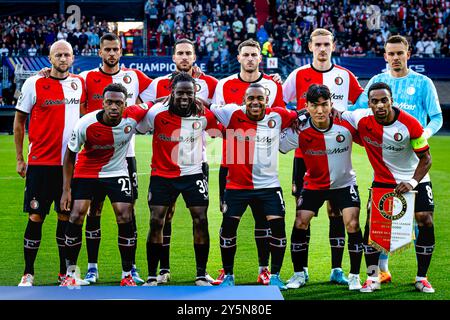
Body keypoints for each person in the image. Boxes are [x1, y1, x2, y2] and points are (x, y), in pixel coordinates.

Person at [352, 35, 442, 284]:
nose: (395, 58)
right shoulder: (377, 81)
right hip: (385, 162)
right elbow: (358, 111)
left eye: (399, 53)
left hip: (415, 161)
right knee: (381, 221)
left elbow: (436, 117)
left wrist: (421, 136)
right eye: (391, 54)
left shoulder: (423, 83)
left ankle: (421, 277)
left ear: (408, 54)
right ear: (385, 56)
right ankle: (380, 271)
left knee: (422, 219)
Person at [283, 28, 364, 285]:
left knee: (336, 214)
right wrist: (296, 118)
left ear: (333, 45)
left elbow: (362, 105)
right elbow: (280, 103)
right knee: (302, 215)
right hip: (305, 153)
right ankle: (301, 270)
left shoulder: (345, 76)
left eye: (326, 44)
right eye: (317, 44)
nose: (322, 49)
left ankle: (338, 269)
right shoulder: (297, 75)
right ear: (309, 46)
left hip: (337, 148)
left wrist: (346, 115)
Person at [342, 82, 435, 293]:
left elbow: (426, 159)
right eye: (375, 101)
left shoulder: (410, 124)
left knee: (425, 219)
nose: (380, 105)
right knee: (373, 228)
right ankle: (373, 277)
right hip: (383, 180)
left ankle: (422, 277)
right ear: (369, 104)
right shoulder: (360, 117)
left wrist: (412, 182)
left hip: (414, 177)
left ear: (391, 101)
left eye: (384, 100)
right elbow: (337, 114)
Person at [140, 38, 218, 284]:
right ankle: (158, 272)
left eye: (188, 53)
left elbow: (228, 114)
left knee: (201, 218)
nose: (184, 57)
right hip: (163, 173)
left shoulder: (209, 93)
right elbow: (139, 118)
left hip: (196, 169)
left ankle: (201, 273)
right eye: (180, 53)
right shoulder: (156, 102)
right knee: (159, 219)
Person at [208, 83, 300, 290]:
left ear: (267, 101)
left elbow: (299, 115)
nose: (255, 102)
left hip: (269, 187)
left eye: (260, 98)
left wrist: (298, 119)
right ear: (244, 100)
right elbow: (207, 106)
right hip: (236, 187)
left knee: (277, 228)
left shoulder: (278, 115)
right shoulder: (230, 113)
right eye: (251, 98)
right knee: (229, 229)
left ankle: (273, 275)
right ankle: (228, 275)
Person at [78, 33, 153, 284]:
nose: (112, 53)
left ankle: (129, 269)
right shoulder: (87, 78)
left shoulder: (134, 77)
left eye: (116, 49)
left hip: (125, 156)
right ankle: (92, 267)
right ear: (100, 52)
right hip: (93, 156)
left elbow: (162, 89)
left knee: (127, 211)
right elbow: (67, 86)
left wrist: (191, 74)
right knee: (93, 211)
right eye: (107, 49)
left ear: (121, 52)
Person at [59, 83, 151, 287]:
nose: (113, 107)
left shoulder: (133, 115)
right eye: (109, 102)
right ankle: (70, 275)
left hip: (117, 171)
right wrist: (66, 189)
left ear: (125, 104)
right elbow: (70, 155)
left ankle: (127, 274)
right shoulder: (85, 123)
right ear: (103, 103)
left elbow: (153, 103)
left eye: (119, 103)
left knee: (125, 215)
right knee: (76, 215)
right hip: (87, 170)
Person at [211, 39, 285, 285]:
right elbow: (214, 114)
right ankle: (226, 270)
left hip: (263, 166)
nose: (251, 58)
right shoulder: (224, 84)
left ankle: (265, 269)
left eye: (255, 54)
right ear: (239, 57)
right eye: (246, 55)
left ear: (260, 58)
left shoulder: (273, 86)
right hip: (231, 163)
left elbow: (282, 115)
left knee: (263, 222)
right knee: (228, 222)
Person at [15, 40, 86, 286]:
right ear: (50, 58)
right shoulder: (34, 82)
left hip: (70, 165)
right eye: (58, 55)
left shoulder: (80, 83)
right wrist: (19, 158)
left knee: (65, 217)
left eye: (67, 54)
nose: (63, 58)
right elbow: (19, 121)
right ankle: (28, 273)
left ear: (73, 57)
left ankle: (65, 274)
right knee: (36, 216)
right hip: (41, 164)